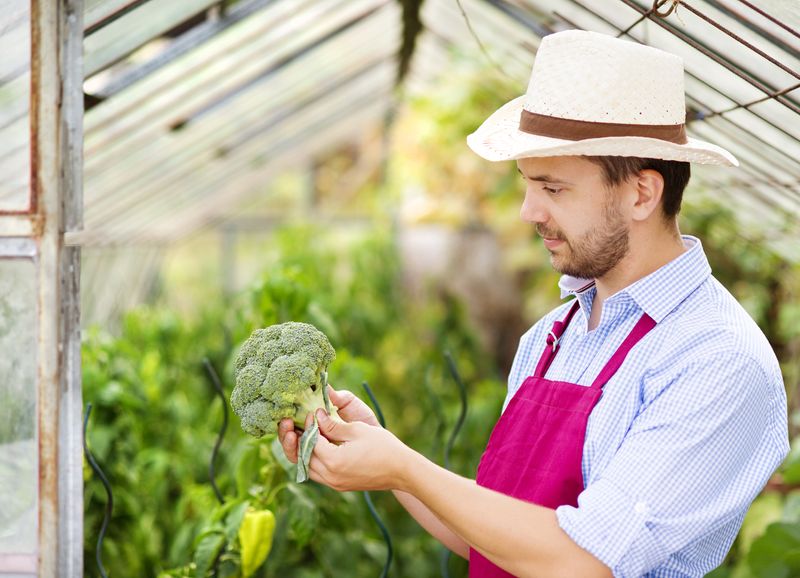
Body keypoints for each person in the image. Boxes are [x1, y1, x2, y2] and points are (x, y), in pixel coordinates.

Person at [278, 30, 789, 577]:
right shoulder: (553, 336)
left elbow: (581, 561)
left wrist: (404, 469)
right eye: (527, 185)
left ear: (642, 193)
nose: (528, 212)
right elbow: (497, 535)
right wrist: (387, 456)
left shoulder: (715, 359)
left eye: (553, 188)